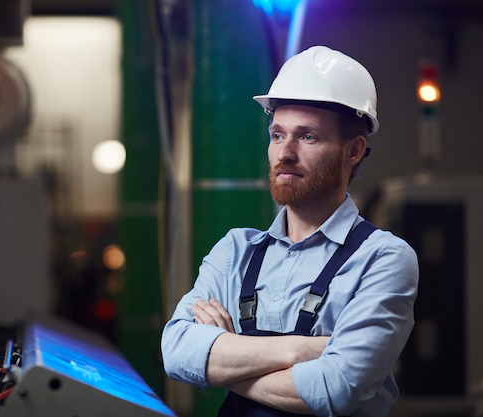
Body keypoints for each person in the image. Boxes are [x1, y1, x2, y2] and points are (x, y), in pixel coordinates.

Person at [160, 45, 419, 417]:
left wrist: (223, 358)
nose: (285, 153)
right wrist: (298, 350)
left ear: (354, 151)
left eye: (308, 137)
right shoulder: (236, 251)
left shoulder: (383, 259)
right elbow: (177, 351)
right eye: (278, 135)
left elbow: (336, 389)